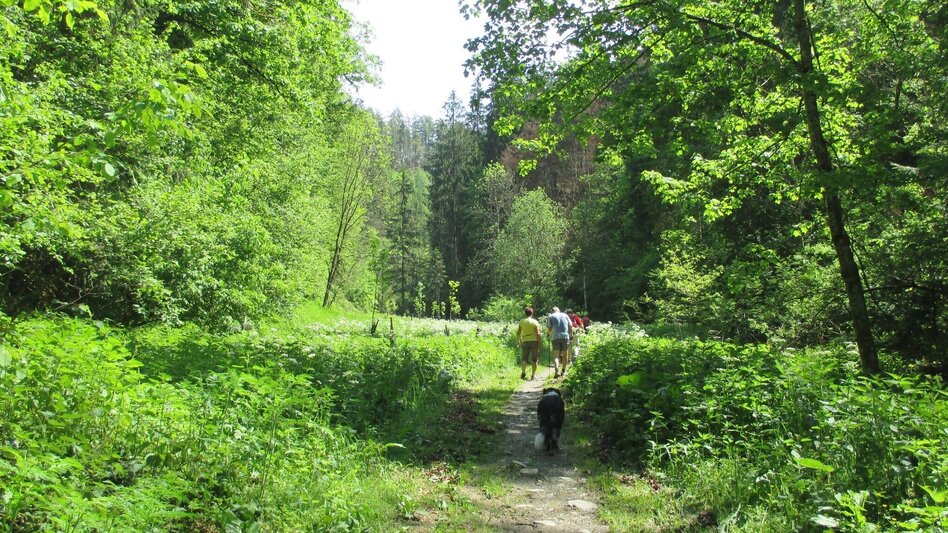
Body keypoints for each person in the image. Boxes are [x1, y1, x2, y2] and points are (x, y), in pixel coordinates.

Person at [516, 306, 542, 380]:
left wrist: (517, 342)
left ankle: (523, 372)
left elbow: (518, 333)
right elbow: (538, 334)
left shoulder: (522, 321)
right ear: (532, 313)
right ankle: (533, 375)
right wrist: (540, 343)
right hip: (534, 341)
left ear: (525, 313)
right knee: (534, 359)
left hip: (525, 340)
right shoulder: (535, 321)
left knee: (524, 358)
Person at [547, 306, 572, 378]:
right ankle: (563, 371)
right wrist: (571, 335)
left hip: (555, 337)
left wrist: (548, 334)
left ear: (552, 311)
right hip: (565, 336)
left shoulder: (550, 316)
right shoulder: (565, 315)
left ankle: (556, 370)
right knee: (565, 355)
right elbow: (570, 325)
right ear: (559, 310)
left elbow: (549, 329)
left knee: (556, 356)